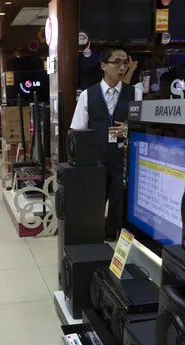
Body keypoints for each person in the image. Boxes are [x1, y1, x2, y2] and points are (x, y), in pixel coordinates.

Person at [70, 47, 135, 241]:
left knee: (120, 203)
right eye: (117, 62)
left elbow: (144, 128)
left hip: (123, 160)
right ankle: (94, 241)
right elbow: (77, 132)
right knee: (94, 203)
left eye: (126, 62)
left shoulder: (135, 94)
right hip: (96, 160)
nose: (122, 67)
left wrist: (128, 129)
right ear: (104, 66)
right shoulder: (88, 95)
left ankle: (115, 243)